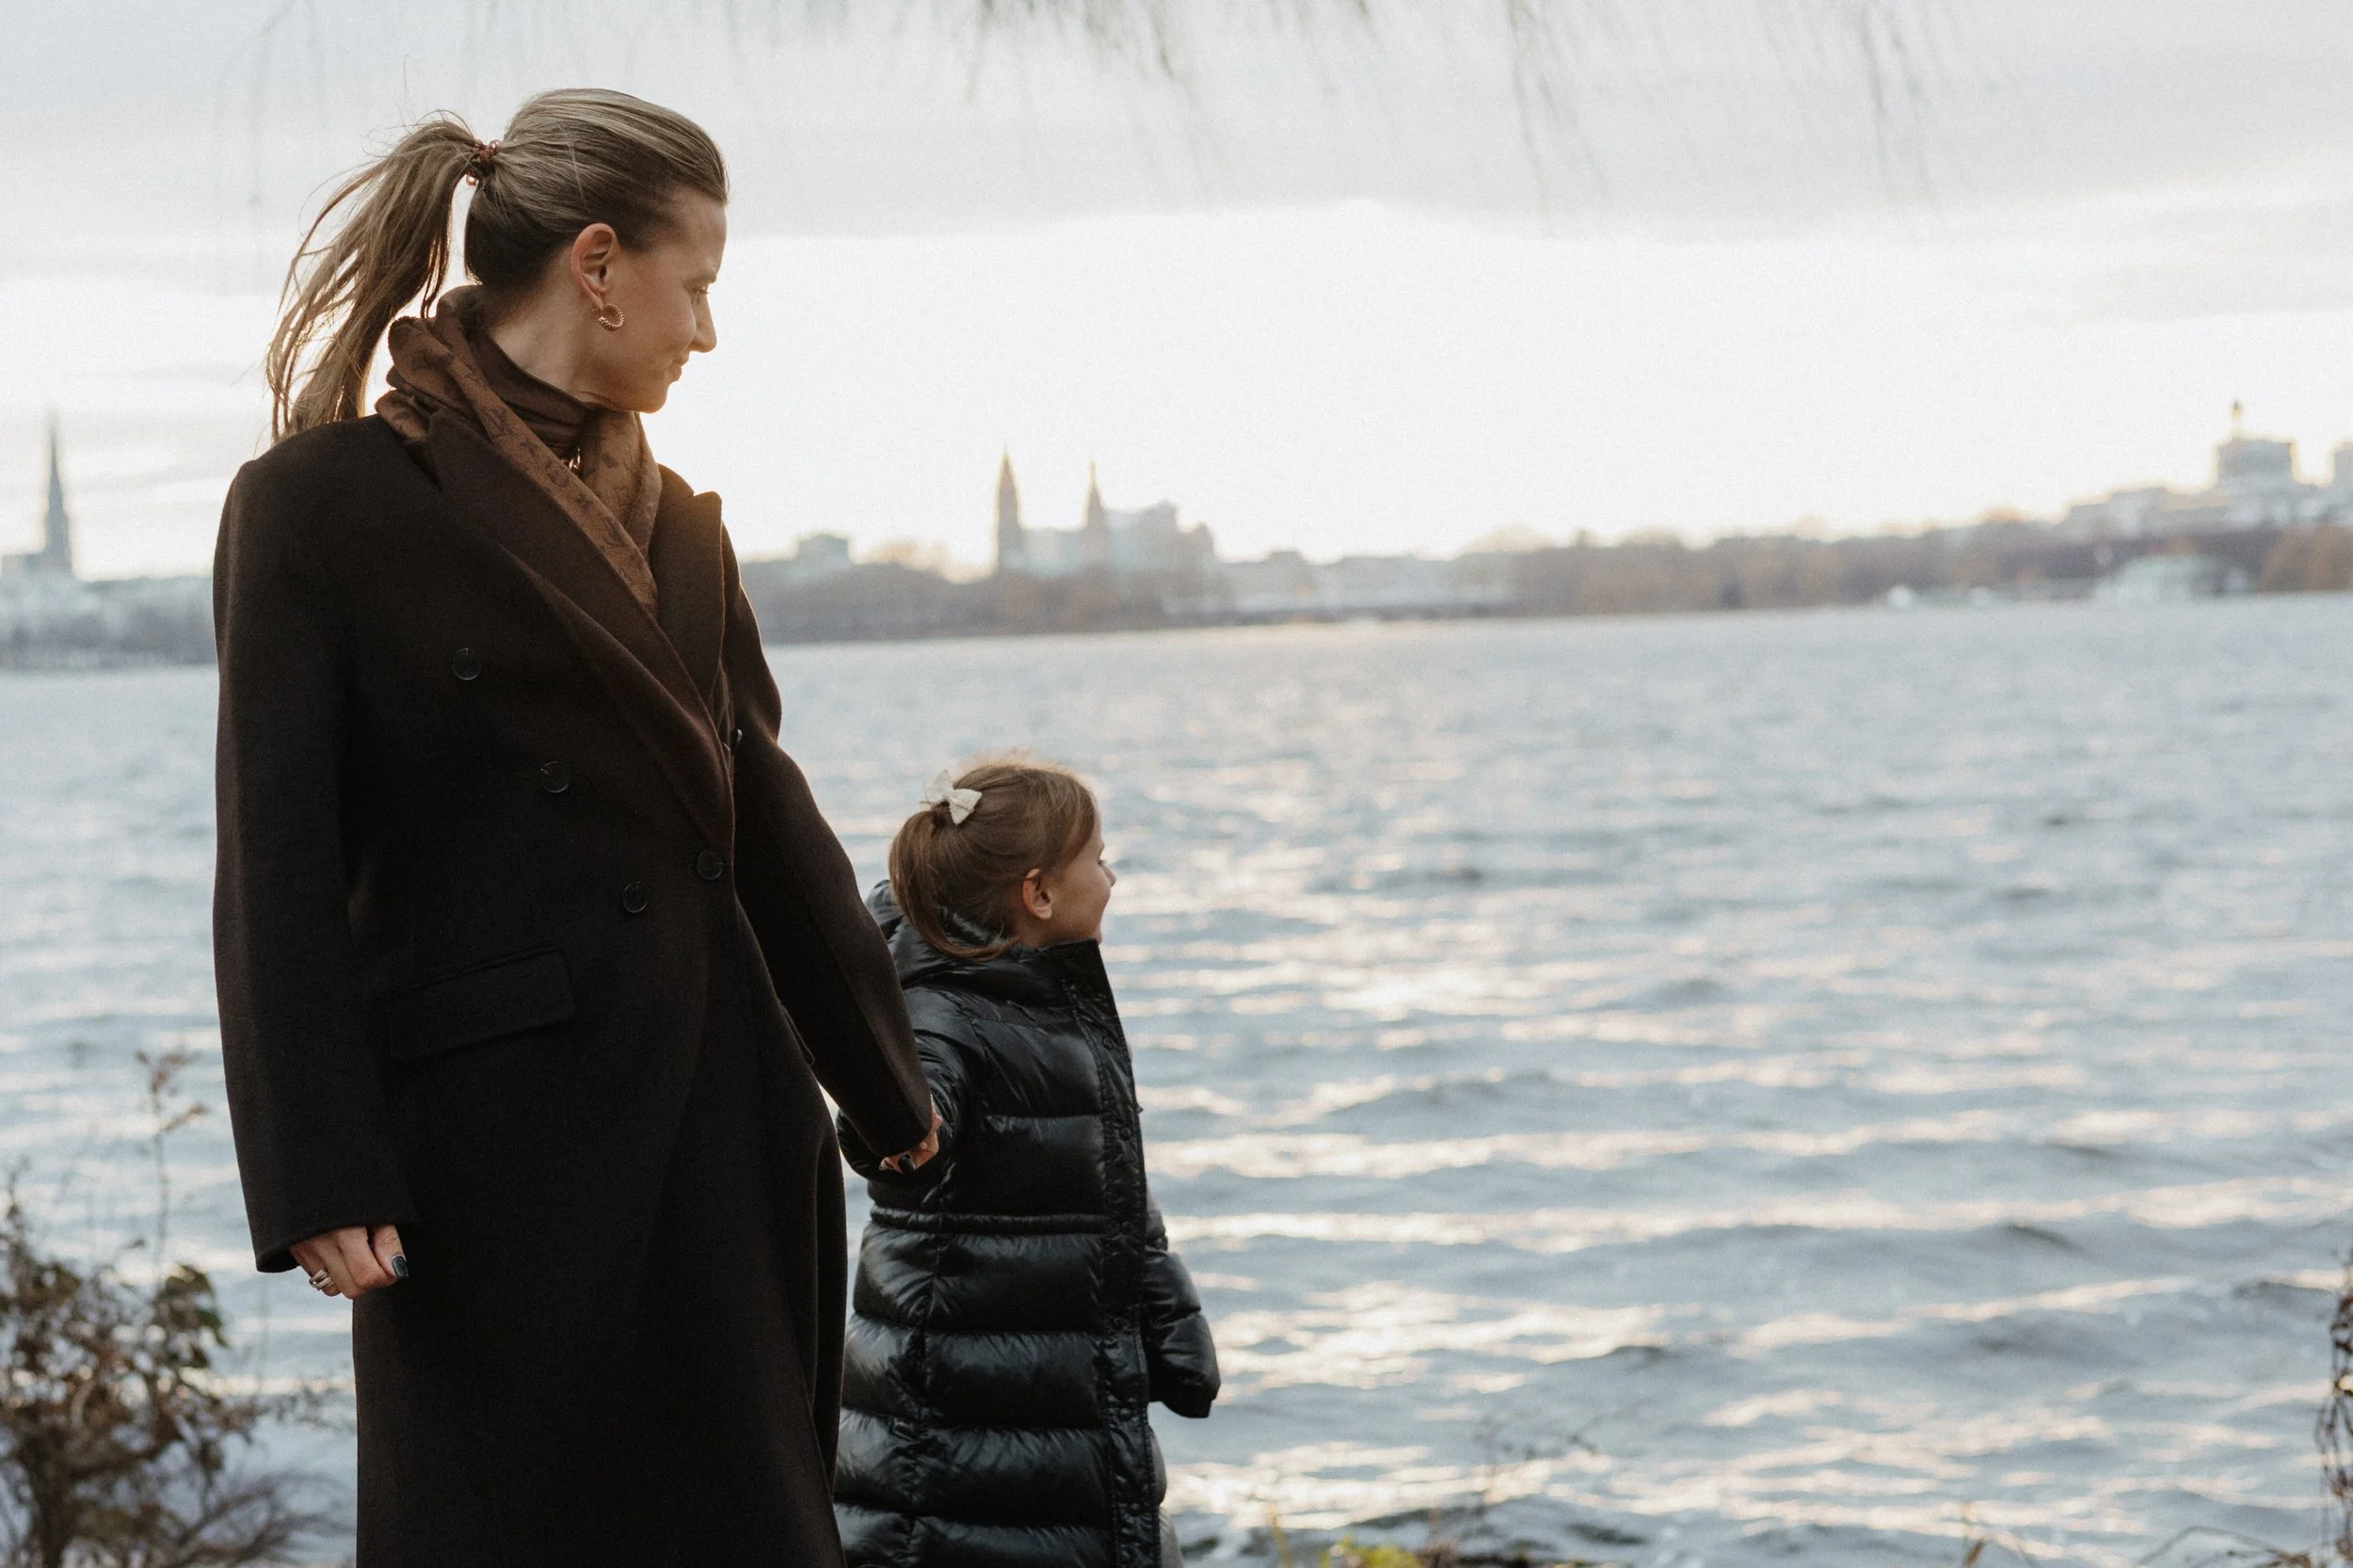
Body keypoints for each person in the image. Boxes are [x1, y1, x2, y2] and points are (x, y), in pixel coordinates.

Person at [212, 88, 939, 1566]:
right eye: (701, 284)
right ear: (599, 264)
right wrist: (317, 1170)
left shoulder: (681, 521)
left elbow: (758, 809)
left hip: (724, 1124)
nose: (709, 332)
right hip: (489, 1160)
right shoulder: (318, 507)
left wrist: (883, 1080)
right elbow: (272, 860)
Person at [833, 760, 1221, 1568]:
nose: (1112, 879)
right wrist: (894, 1128)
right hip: (954, 1440)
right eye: (1100, 860)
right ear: (1038, 893)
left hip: (1053, 1411)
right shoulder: (944, 1014)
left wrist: (1169, 1315)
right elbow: (901, 1113)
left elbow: (1103, 1187)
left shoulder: (1047, 1006)